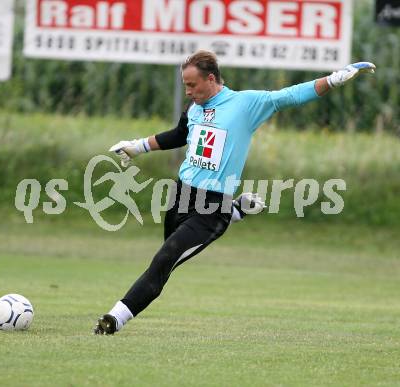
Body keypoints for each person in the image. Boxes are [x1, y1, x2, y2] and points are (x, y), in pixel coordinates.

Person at [94, 51, 375, 335]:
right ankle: (237, 211)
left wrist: (334, 80)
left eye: (192, 85)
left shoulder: (244, 104)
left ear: (211, 78)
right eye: (185, 86)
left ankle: (114, 319)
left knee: (164, 260)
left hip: (211, 208)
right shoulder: (195, 108)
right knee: (166, 258)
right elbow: (180, 134)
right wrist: (138, 146)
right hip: (180, 196)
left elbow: (290, 96)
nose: (188, 92)